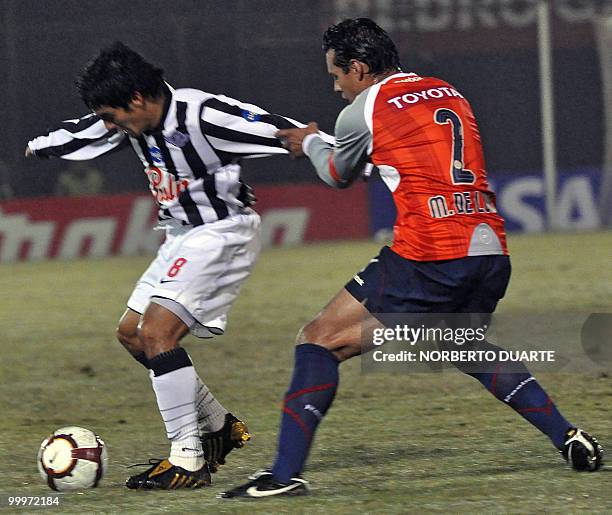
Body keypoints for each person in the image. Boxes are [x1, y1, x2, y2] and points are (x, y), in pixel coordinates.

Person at [221, 18, 604, 498]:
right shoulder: (447, 90)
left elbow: (340, 174)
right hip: (489, 247)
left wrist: (312, 142)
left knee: (319, 340)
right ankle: (565, 434)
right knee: (458, 343)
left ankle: (281, 477)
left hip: (431, 251)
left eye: (337, 76)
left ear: (358, 68)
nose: (336, 87)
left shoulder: (364, 109)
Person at [25, 41, 333, 490]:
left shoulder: (201, 114)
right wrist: (38, 146)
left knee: (157, 333)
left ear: (136, 99)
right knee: (132, 335)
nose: (111, 126)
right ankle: (219, 428)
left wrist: (334, 149)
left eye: (114, 115)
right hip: (180, 235)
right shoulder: (129, 118)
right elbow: (85, 132)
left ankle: (187, 460)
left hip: (222, 231)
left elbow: (277, 129)